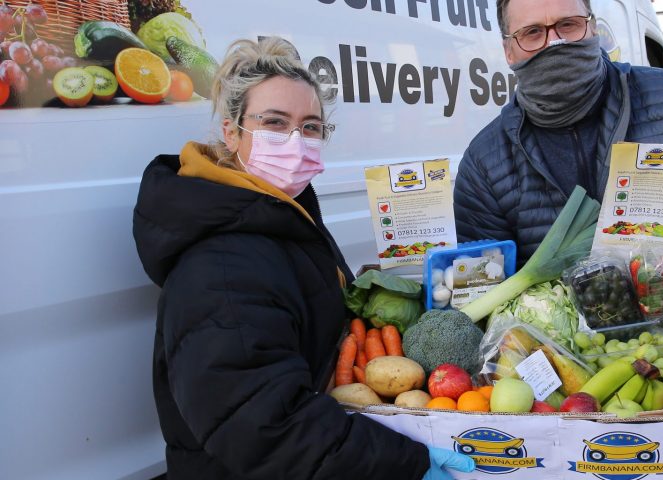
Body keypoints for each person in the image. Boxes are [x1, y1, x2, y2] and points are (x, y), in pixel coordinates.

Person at [453, 1, 663, 478]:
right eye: (533, 33)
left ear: (593, 27)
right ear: (508, 49)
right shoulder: (486, 158)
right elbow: (489, 287)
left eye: (568, 24)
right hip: (553, 406)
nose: (556, 41)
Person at [133, 37, 473, 480]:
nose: (296, 140)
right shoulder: (220, 265)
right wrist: (404, 464)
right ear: (232, 131)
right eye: (275, 122)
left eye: (311, 126)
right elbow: (266, 425)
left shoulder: (279, 213)